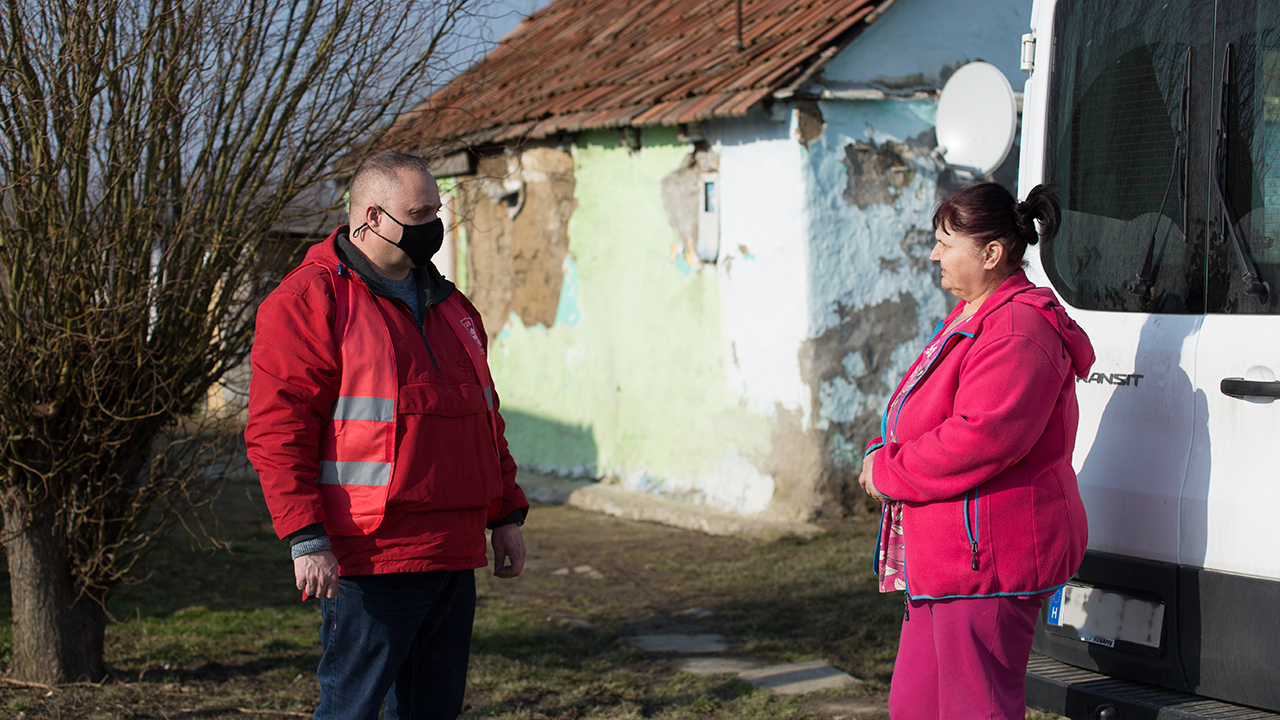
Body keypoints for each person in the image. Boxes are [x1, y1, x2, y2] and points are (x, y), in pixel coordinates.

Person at [245, 150, 529, 720]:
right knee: (350, 710)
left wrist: (506, 517)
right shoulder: (312, 300)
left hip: (452, 552)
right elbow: (280, 426)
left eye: (436, 211)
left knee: (432, 710)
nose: (434, 226)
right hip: (369, 557)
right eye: (419, 212)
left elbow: (484, 419)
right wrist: (305, 536)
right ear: (372, 217)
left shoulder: (454, 308)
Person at [858, 182, 1093, 719]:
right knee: (915, 707)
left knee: (974, 707)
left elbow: (979, 439)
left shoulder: (1017, 329)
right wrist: (884, 446)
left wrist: (889, 469)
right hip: (943, 556)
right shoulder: (971, 314)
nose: (934, 254)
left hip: (988, 557)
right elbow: (924, 408)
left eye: (946, 242)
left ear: (991, 253)